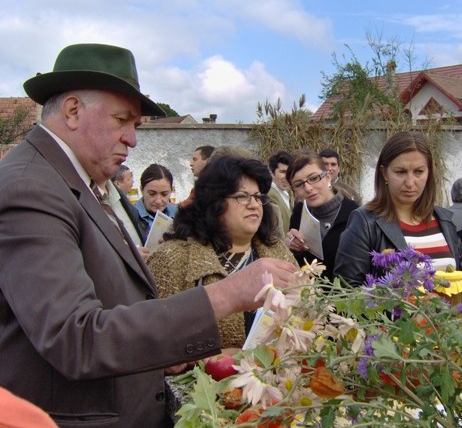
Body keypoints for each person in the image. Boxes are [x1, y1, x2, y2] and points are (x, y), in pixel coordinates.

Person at [0, 43, 296, 427]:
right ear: (72, 110)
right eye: (122, 120)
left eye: (136, 126)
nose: (132, 139)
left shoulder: (72, 182)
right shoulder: (32, 188)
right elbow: (75, 339)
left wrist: (160, 353)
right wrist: (226, 295)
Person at [147, 155, 296, 349]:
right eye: (242, 196)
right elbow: (154, 336)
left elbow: (306, 317)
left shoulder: (277, 251)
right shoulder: (173, 258)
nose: (254, 204)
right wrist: (210, 358)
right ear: (213, 202)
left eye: (258, 197)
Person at [334, 132, 459, 286]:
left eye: (419, 172)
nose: (410, 182)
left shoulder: (445, 220)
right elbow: (347, 290)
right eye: (400, 172)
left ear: (429, 172)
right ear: (384, 173)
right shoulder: (365, 222)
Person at [284, 151, 359, 280]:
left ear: (328, 176)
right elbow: (297, 267)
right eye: (299, 184)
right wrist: (292, 247)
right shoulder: (299, 213)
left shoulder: (355, 215)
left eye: (314, 178)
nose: (308, 188)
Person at [135, 163, 178, 237]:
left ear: (171, 191)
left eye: (164, 194)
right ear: (142, 190)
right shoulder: (131, 216)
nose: (158, 201)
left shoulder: (177, 213)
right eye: (152, 194)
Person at [267, 150, 294, 235]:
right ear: (272, 173)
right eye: (283, 172)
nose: (287, 177)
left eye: (289, 172)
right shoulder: (270, 196)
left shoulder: (288, 192)